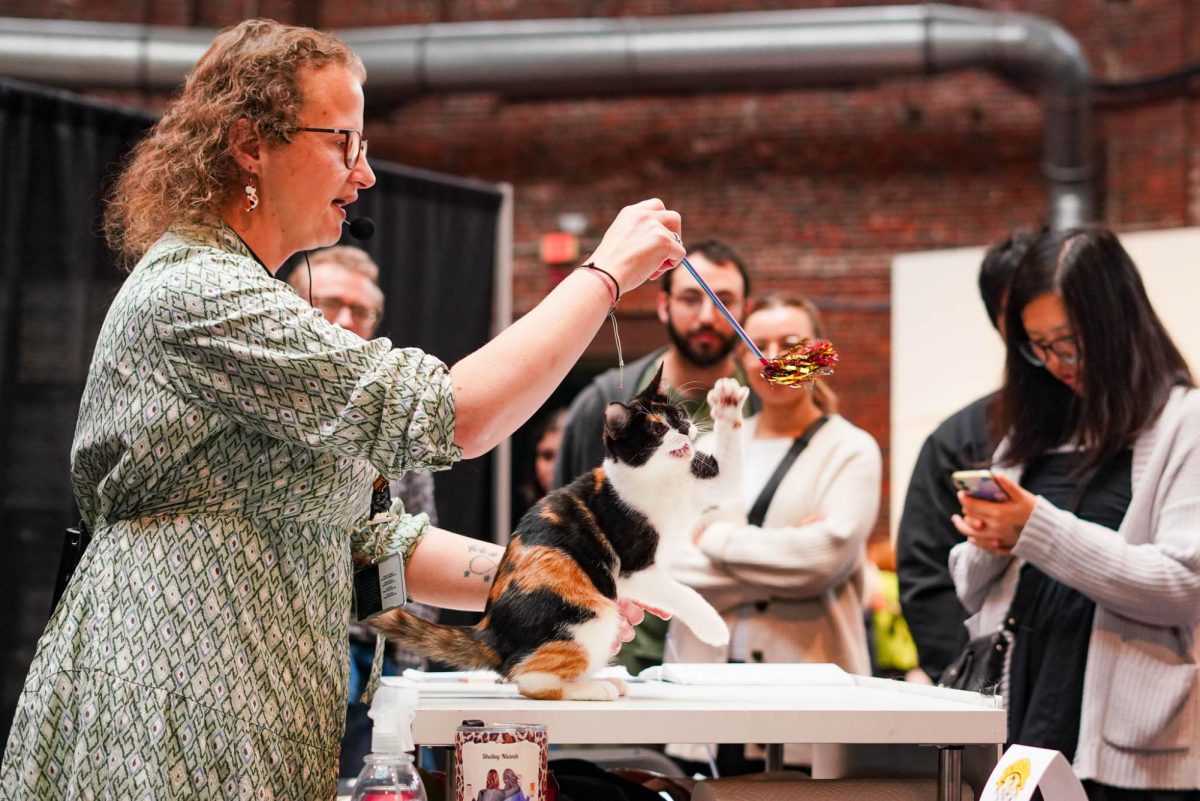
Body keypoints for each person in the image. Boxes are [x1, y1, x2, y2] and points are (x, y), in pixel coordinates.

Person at [0, 19, 683, 800]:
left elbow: (367, 538)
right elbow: (454, 415)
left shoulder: (241, 290)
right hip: (169, 702)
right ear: (250, 143)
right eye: (344, 143)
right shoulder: (197, 291)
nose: (364, 176)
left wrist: (562, 580)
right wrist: (601, 275)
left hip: (250, 704)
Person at [948, 227, 1200, 798]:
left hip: (1133, 745)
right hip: (1024, 711)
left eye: (1069, 341)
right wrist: (990, 541)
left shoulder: (1185, 423)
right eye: (1036, 345)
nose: (1055, 362)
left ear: (1119, 323)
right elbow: (969, 587)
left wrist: (1035, 529)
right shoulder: (1031, 432)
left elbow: (1184, 584)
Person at [667, 293, 882, 772]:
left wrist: (716, 542)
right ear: (742, 357)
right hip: (706, 694)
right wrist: (780, 561)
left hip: (806, 694)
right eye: (757, 343)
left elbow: (822, 562)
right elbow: (667, 560)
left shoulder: (850, 450)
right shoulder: (707, 443)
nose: (774, 356)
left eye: (790, 342)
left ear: (816, 352)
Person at [552, 238, 758, 674]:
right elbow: (564, 530)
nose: (707, 315)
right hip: (620, 655)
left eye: (725, 300)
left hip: (738, 661)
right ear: (663, 306)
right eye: (690, 298)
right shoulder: (604, 404)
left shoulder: (763, 408)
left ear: (745, 310)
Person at [284, 244, 441, 777]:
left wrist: (408, 674)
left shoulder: (392, 428)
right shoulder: (269, 404)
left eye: (362, 311)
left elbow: (414, 542)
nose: (346, 321)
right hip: (275, 654)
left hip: (369, 657)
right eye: (329, 304)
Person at [895, 231, 1036, 682]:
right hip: (990, 684)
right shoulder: (957, 439)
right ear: (1000, 317)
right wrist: (975, 678)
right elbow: (925, 577)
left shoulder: (1132, 424)